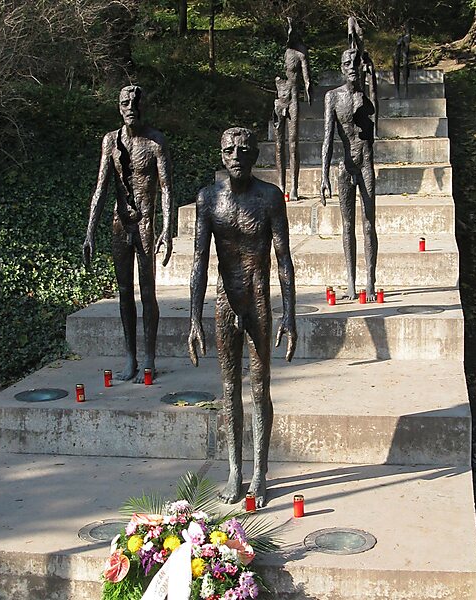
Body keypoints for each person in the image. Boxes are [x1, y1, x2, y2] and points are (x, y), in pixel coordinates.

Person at [188, 127, 297, 507]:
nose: (236, 156)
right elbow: (199, 262)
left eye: (244, 150)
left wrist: (290, 314)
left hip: (258, 299)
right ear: (221, 155)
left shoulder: (269, 197)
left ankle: (259, 472)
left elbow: (284, 260)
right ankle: (235, 470)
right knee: (230, 388)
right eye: (229, 150)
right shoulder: (208, 199)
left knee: (260, 387)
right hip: (225, 300)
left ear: (254, 155)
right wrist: (193, 318)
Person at [82, 85, 173, 382]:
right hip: (120, 223)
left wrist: (167, 228)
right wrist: (90, 232)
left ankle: (149, 357)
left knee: (147, 292)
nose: (131, 107)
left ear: (143, 106)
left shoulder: (156, 141)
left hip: (145, 223)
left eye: (135, 102)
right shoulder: (111, 141)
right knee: (124, 292)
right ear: (119, 107)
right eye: (125, 103)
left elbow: (166, 188)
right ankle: (130, 356)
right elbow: (101, 188)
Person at [320, 48, 378, 300]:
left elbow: (376, 112)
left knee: (368, 223)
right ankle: (351, 283)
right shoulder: (333, 97)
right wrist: (323, 174)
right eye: (347, 64)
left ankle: (371, 281)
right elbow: (327, 138)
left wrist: (372, 77)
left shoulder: (366, 95)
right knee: (347, 225)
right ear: (342, 68)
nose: (352, 67)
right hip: (345, 166)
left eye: (355, 63)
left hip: (365, 164)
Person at [272, 17, 313, 201]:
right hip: (280, 99)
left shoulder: (300, 53)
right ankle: (281, 187)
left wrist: (309, 91)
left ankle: (294, 187)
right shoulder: (285, 52)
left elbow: (307, 78)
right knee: (279, 145)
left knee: (293, 144)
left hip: (294, 100)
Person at [394, 25, 412, 98]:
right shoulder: (399, 36)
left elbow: (406, 50)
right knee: (396, 66)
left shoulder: (406, 36)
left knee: (405, 65)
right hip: (397, 55)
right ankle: (397, 90)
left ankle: (405, 89)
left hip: (404, 57)